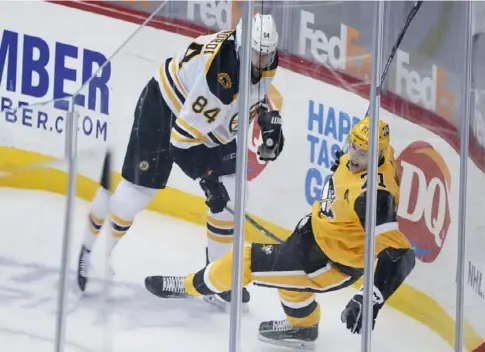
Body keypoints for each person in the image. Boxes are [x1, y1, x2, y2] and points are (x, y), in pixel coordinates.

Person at [144, 117, 416, 350]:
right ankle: (304, 327)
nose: (353, 155)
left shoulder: (375, 199)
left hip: (330, 263)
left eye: (362, 152)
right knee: (285, 277)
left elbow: (401, 256)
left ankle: (189, 286)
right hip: (315, 237)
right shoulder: (381, 152)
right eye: (352, 145)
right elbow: (368, 132)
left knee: (247, 260)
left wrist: (371, 299)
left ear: (377, 153)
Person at [77, 13, 284, 313]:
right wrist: (207, 179)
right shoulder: (220, 79)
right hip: (166, 109)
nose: (263, 60)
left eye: (267, 54)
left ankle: (217, 280)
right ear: (241, 46)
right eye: (257, 53)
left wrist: (267, 122)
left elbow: (254, 95)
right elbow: (182, 141)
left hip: (212, 119)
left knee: (235, 191)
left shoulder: (261, 61)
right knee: (137, 192)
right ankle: (91, 248)